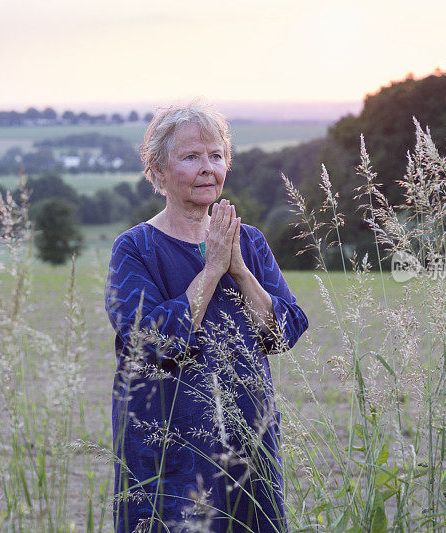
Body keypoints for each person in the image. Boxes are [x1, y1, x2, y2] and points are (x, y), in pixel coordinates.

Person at [105, 102, 308, 533]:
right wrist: (211, 269)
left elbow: (285, 330)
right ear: (157, 172)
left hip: (247, 443)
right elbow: (150, 341)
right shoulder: (134, 248)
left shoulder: (247, 241)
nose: (207, 168)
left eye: (216, 156)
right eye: (191, 157)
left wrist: (237, 267)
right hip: (169, 449)